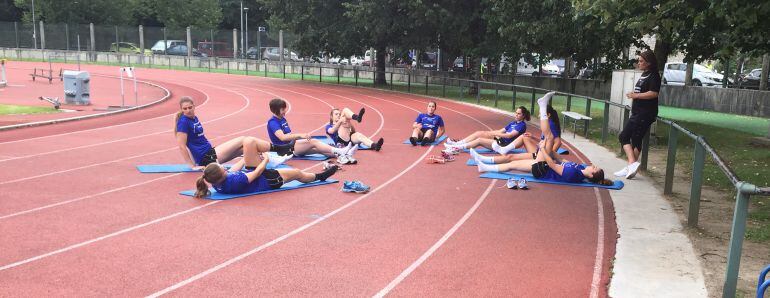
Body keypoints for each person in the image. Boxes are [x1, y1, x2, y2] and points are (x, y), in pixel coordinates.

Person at [475, 92, 612, 186]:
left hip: (543, 170)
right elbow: (561, 160)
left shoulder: (574, 174)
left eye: (594, 168)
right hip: (541, 166)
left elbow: (552, 165)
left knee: (549, 137)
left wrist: (543, 150)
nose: (593, 165)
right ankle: (484, 167)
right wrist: (551, 152)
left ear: (592, 175)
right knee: (511, 164)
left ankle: (542, 105)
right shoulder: (579, 168)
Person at [193, 138, 339, 198]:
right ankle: (320, 176)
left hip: (254, 173)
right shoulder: (233, 182)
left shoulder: (217, 181)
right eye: (222, 168)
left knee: (248, 142)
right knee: (297, 173)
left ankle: (280, 148)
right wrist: (266, 159)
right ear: (221, 175)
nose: (224, 167)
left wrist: (246, 158)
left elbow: (234, 169)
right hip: (267, 180)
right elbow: (257, 173)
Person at [175, 96, 292, 170]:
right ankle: (279, 148)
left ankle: (267, 161)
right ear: (181, 109)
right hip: (206, 157)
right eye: (185, 109)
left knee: (246, 148)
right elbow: (182, 146)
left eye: (190, 107)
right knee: (244, 139)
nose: (188, 110)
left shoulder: (193, 118)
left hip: (211, 154)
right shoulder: (183, 122)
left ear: (194, 106)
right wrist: (192, 166)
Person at [615, 50, 660, 179]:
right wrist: (634, 94)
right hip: (637, 112)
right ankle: (630, 167)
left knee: (624, 136)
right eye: (638, 61)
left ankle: (632, 164)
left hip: (645, 114)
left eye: (641, 61)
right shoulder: (645, 74)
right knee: (635, 140)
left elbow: (654, 93)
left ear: (649, 63)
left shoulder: (654, 75)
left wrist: (636, 95)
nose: (638, 63)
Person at [266, 98, 358, 163]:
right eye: (282, 109)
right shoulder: (273, 122)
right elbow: (282, 138)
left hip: (292, 146)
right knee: (313, 142)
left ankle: (343, 154)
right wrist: (300, 136)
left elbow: (289, 135)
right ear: (275, 110)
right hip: (285, 149)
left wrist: (298, 139)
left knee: (318, 149)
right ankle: (340, 151)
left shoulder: (282, 119)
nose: (285, 111)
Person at [444, 106, 531, 153]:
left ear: (523, 116)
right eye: (516, 113)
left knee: (479, 140)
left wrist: (495, 135)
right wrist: (488, 133)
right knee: (479, 133)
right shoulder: (513, 123)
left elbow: (510, 135)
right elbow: (501, 131)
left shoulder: (522, 125)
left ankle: (456, 147)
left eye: (518, 114)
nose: (516, 115)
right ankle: (457, 143)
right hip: (499, 140)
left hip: (503, 145)